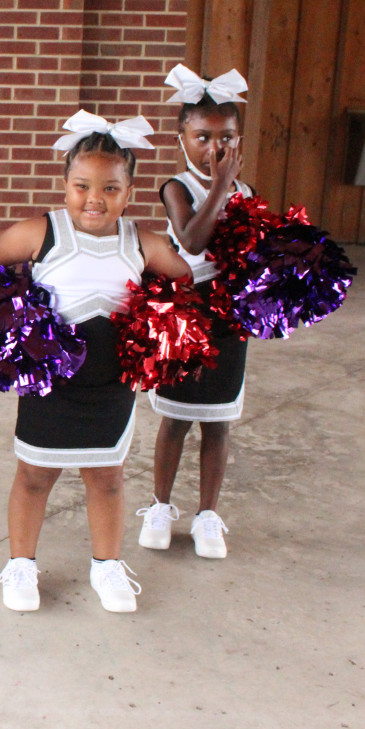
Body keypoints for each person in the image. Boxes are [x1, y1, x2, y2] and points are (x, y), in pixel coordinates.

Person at [0, 111, 191, 613]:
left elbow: (182, 278)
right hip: (51, 381)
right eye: (82, 186)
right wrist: (7, 312)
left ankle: (107, 565)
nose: (95, 199)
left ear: (129, 192)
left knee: (107, 476)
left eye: (111, 188)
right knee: (34, 474)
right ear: (65, 185)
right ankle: (21, 564)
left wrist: (157, 324)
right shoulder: (42, 232)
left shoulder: (140, 241)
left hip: (112, 383)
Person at [137, 66, 251, 560]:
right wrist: (222, 186)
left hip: (229, 318)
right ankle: (161, 505)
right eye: (202, 136)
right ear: (182, 137)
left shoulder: (243, 192)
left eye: (225, 136)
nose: (214, 147)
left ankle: (208, 514)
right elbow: (192, 239)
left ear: (238, 138)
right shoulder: (176, 187)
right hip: (185, 312)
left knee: (219, 420)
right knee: (177, 418)